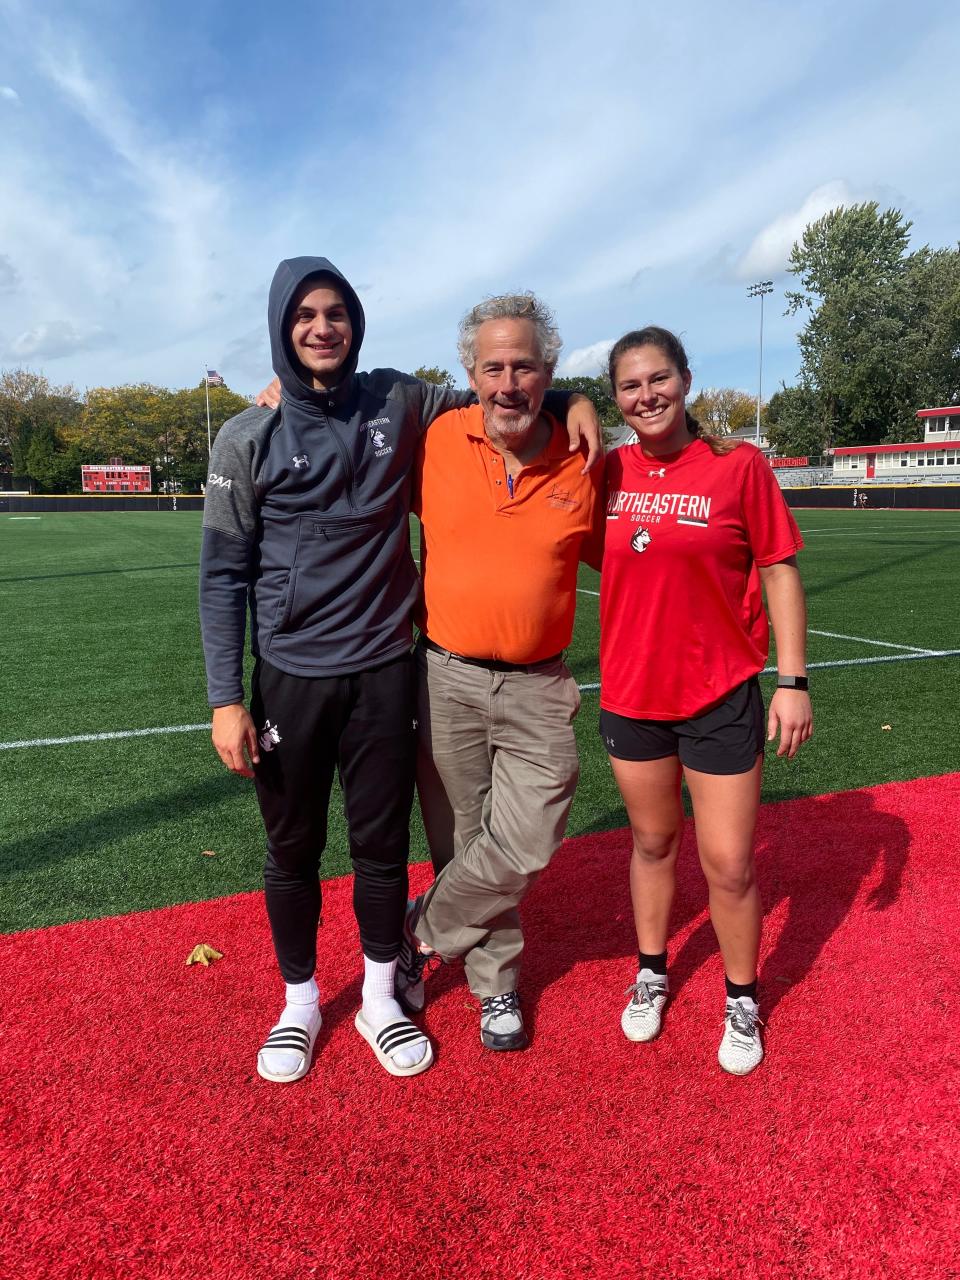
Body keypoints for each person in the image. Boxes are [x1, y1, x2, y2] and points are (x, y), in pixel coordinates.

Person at [201, 257, 600, 1084]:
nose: (323, 327)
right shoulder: (247, 436)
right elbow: (222, 573)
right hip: (292, 673)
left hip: (386, 667)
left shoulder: (399, 398)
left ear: (356, 323)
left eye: (336, 312)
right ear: (283, 326)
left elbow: (507, 393)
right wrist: (223, 699)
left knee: (382, 849)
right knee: (293, 849)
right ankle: (301, 1003)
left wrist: (577, 397)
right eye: (306, 314)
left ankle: (383, 995)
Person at [599, 326, 813, 1076]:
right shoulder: (607, 471)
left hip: (720, 694)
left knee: (728, 864)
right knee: (653, 844)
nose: (646, 396)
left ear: (685, 380)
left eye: (658, 379)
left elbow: (780, 568)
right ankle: (652, 973)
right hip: (630, 696)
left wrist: (792, 679)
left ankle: (741, 997)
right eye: (630, 385)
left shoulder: (738, 466)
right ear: (615, 397)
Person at [396, 294, 603, 1051]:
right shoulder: (438, 438)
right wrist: (286, 388)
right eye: (493, 366)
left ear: (548, 373)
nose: (508, 381)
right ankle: (497, 988)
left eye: (525, 366)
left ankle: (418, 931)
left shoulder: (585, 460)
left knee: (527, 841)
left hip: (540, 684)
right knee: (461, 840)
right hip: (443, 675)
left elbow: (636, 561)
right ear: (469, 373)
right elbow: (360, 402)